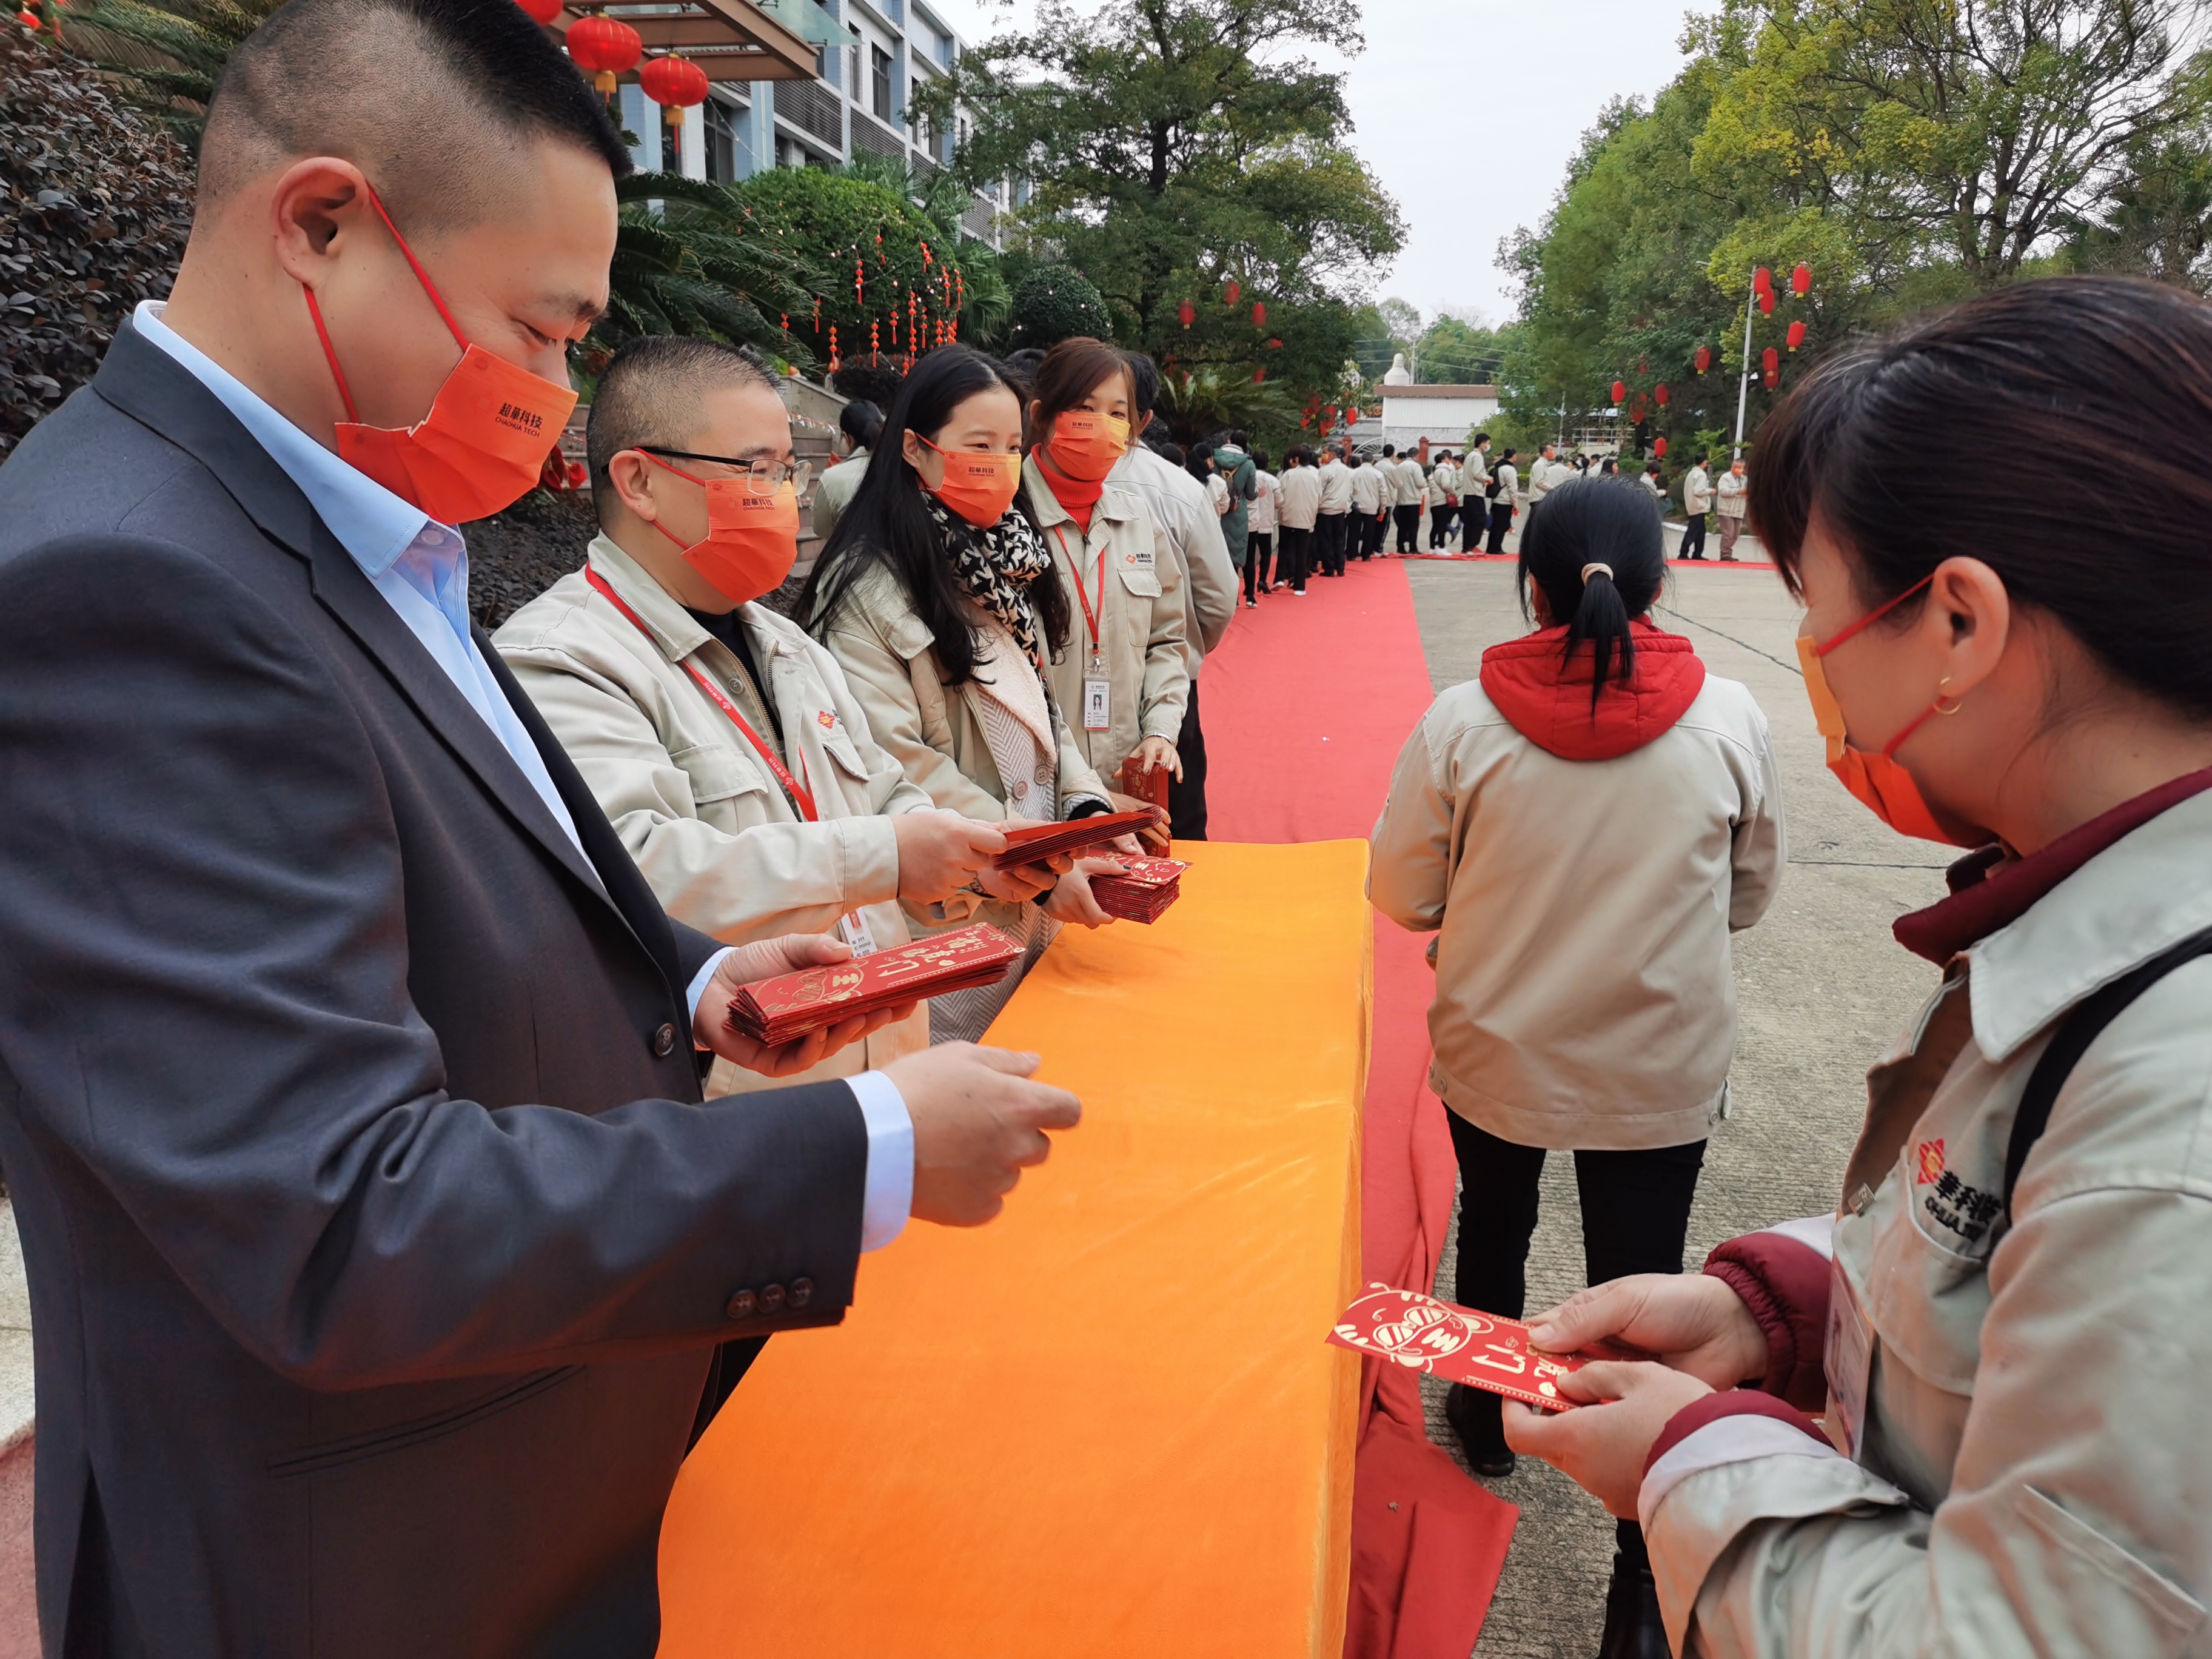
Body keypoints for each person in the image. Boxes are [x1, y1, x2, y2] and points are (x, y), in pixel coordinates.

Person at [0, 2, 1081, 1651]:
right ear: (322, 223)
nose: (559, 395)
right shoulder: (125, 583)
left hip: (499, 1486)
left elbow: (456, 876)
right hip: (351, 1565)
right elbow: (336, 1213)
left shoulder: (341, 524)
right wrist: (863, 1147)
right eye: (540, 328)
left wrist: (694, 978)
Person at [1501, 275, 2212, 1659]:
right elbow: (2043, 1279)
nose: (1812, 665)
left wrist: (1695, 1463)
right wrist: (1789, 1308)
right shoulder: (2104, 937)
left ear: (1958, 624)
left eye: (1818, 607)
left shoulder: (2172, 1093)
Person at [1370, 473, 1782, 1658]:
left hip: (1499, 1044)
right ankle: (1640, 1577)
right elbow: (1748, 897)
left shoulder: (1462, 720)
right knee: (1642, 1286)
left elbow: (1402, 892)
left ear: (1533, 581)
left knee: (1495, 1225)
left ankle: (1485, 1403)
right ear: (1657, 578)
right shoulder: (1731, 717)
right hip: (1656, 1062)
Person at [497, 337, 1011, 1093]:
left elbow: (884, 791)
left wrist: (975, 859)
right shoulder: (562, 660)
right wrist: (886, 855)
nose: (784, 497)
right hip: (743, 1110)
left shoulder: (787, 644)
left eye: (787, 471)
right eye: (755, 471)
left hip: (879, 1074)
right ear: (640, 480)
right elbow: (634, 875)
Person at [804, 346, 1137, 1041]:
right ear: (915, 450)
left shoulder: (1008, 560)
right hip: (950, 913)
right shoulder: (865, 589)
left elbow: (1047, 712)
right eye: (979, 445)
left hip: (1032, 888)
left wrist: (1084, 815)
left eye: (1013, 446)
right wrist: (1034, 860)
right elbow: (894, 761)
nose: (1001, 465)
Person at [1022, 338, 1189, 840]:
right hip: (1036, 794)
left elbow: (1168, 640)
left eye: (1118, 414)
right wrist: (1081, 793)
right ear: (1041, 415)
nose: (1102, 426)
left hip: (1126, 781)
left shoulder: (1139, 520)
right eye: (1084, 408)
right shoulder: (1005, 520)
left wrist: (1161, 729)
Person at [1111, 354, 1235, 840]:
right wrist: (1189, 648)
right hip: (1170, 675)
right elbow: (1218, 598)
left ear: (1139, 418)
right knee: (1178, 822)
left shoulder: (1038, 483)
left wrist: (1176, 647)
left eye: (1112, 410)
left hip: (1154, 677)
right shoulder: (1179, 489)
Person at [810, 394, 880, 552]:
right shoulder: (902, 468)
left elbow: (821, 529)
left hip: (852, 562)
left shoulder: (833, 477)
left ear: (848, 438)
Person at [1214, 426, 1257, 600]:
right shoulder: (1248, 464)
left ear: (1229, 441)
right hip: (1237, 511)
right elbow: (1252, 494)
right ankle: (1234, 598)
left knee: (1216, 553)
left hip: (1215, 510)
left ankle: (1218, 596)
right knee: (1235, 555)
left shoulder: (1213, 458)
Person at [1275, 444, 1321, 594]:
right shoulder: (1315, 475)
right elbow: (1319, 496)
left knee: (1284, 548)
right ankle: (1300, 587)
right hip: (1307, 516)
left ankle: (1280, 578)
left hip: (1288, 515)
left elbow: (1281, 494)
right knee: (1302, 552)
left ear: (1296, 459)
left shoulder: (1288, 474)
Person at [1315, 440, 1353, 577]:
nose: (1323, 455)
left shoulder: (1325, 471)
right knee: (1339, 540)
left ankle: (1329, 568)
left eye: (1325, 452)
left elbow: (1318, 491)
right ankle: (1340, 567)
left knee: (1326, 540)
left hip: (1326, 510)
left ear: (1333, 454)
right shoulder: (1348, 471)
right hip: (1341, 510)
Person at [1244, 446, 1276, 603]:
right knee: (1266, 552)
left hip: (1249, 521)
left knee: (1248, 556)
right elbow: (1280, 500)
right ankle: (1262, 580)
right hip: (1265, 522)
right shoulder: (1273, 480)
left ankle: (1247, 587)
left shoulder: (1247, 475)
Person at [1350, 446, 1386, 561]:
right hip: (1372, 506)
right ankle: (1366, 555)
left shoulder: (1354, 473)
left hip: (1356, 505)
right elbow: (1383, 492)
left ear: (1361, 460)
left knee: (1353, 531)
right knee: (1369, 532)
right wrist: (1383, 507)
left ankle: (1352, 554)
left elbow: (1349, 489)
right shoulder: (1378, 474)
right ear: (1373, 461)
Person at [1389, 443, 1427, 554]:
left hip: (1401, 500)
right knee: (1414, 526)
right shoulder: (1415, 466)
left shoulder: (1400, 466)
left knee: (1402, 526)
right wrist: (1425, 484)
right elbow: (1420, 483)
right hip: (1413, 500)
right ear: (1417, 455)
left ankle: (1400, 547)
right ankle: (1413, 548)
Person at [1458, 433, 1493, 552]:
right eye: (1488, 443)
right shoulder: (1477, 457)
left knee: (1469, 522)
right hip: (1475, 493)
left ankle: (1466, 547)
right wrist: (1488, 478)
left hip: (1468, 493)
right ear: (1482, 444)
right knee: (1480, 521)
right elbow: (1477, 474)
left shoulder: (1470, 456)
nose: (1488, 446)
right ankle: (1472, 545)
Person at [1486, 446, 1521, 555]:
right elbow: (1512, 488)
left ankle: (1491, 547)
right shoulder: (1510, 470)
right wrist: (1516, 504)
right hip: (1505, 501)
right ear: (1514, 456)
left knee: (1496, 526)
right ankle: (1496, 548)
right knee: (1501, 527)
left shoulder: (1498, 467)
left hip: (1496, 500)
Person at [1679, 451, 1713, 559]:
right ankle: (1684, 552)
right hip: (1699, 506)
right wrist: (1710, 491)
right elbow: (1698, 491)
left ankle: (1697, 553)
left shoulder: (1692, 473)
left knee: (1700, 531)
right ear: (1704, 462)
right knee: (1694, 531)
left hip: (1693, 505)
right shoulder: (1701, 475)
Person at [1715, 453, 1748, 560]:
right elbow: (1723, 491)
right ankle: (1725, 554)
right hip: (1726, 510)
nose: (1737, 469)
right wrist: (1738, 491)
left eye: (1739, 467)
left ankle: (1728, 552)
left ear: (1743, 468)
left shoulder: (1745, 479)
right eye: (1735, 466)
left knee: (1735, 535)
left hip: (1739, 511)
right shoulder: (1725, 477)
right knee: (1728, 533)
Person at [1429, 450, 1458, 548]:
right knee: (1442, 525)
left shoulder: (1434, 471)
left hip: (1434, 502)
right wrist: (1452, 492)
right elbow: (1446, 485)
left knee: (1435, 526)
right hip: (1442, 501)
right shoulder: (1444, 470)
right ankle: (1442, 547)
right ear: (1443, 460)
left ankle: (1432, 547)